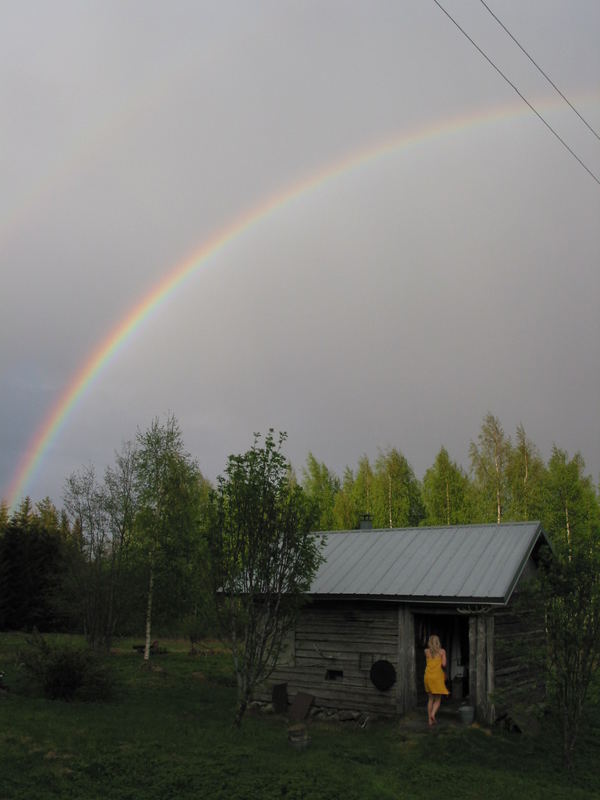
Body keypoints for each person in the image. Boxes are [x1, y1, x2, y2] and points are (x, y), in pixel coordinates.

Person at [424, 634, 449, 726]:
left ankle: (429, 721)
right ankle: (433, 714)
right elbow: (444, 664)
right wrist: (443, 656)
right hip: (437, 677)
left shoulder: (426, 651)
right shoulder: (442, 651)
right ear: (438, 642)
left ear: (429, 642)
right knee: (438, 699)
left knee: (430, 699)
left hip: (427, 677)